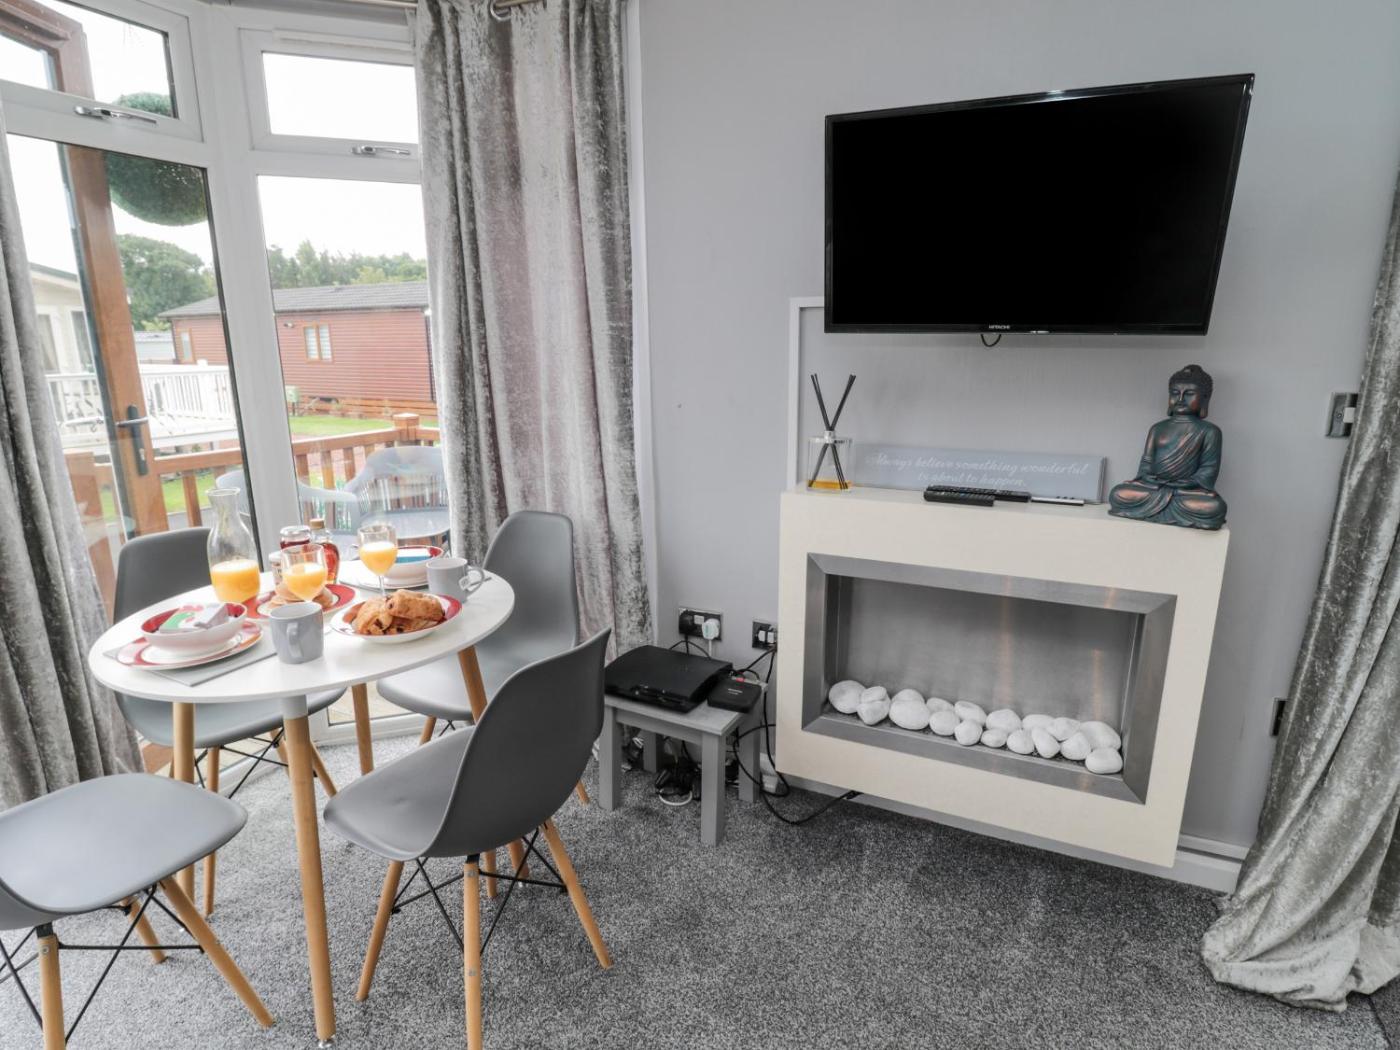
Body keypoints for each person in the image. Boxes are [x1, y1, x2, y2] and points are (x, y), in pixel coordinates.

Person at [1108, 364, 1226, 530]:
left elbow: (1209, 469)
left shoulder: (1210, 431)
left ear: (1204, 398)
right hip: (1155, 488)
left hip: (1185, 492)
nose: (1180, 399)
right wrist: (1147, 477)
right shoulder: (1157, 428)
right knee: (1118, 493)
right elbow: (1146, 463)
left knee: (1214, 506)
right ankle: (1164, 506)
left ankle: (1164, 507)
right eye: (1175, 393)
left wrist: (1189, 483)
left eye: (1189, 394)